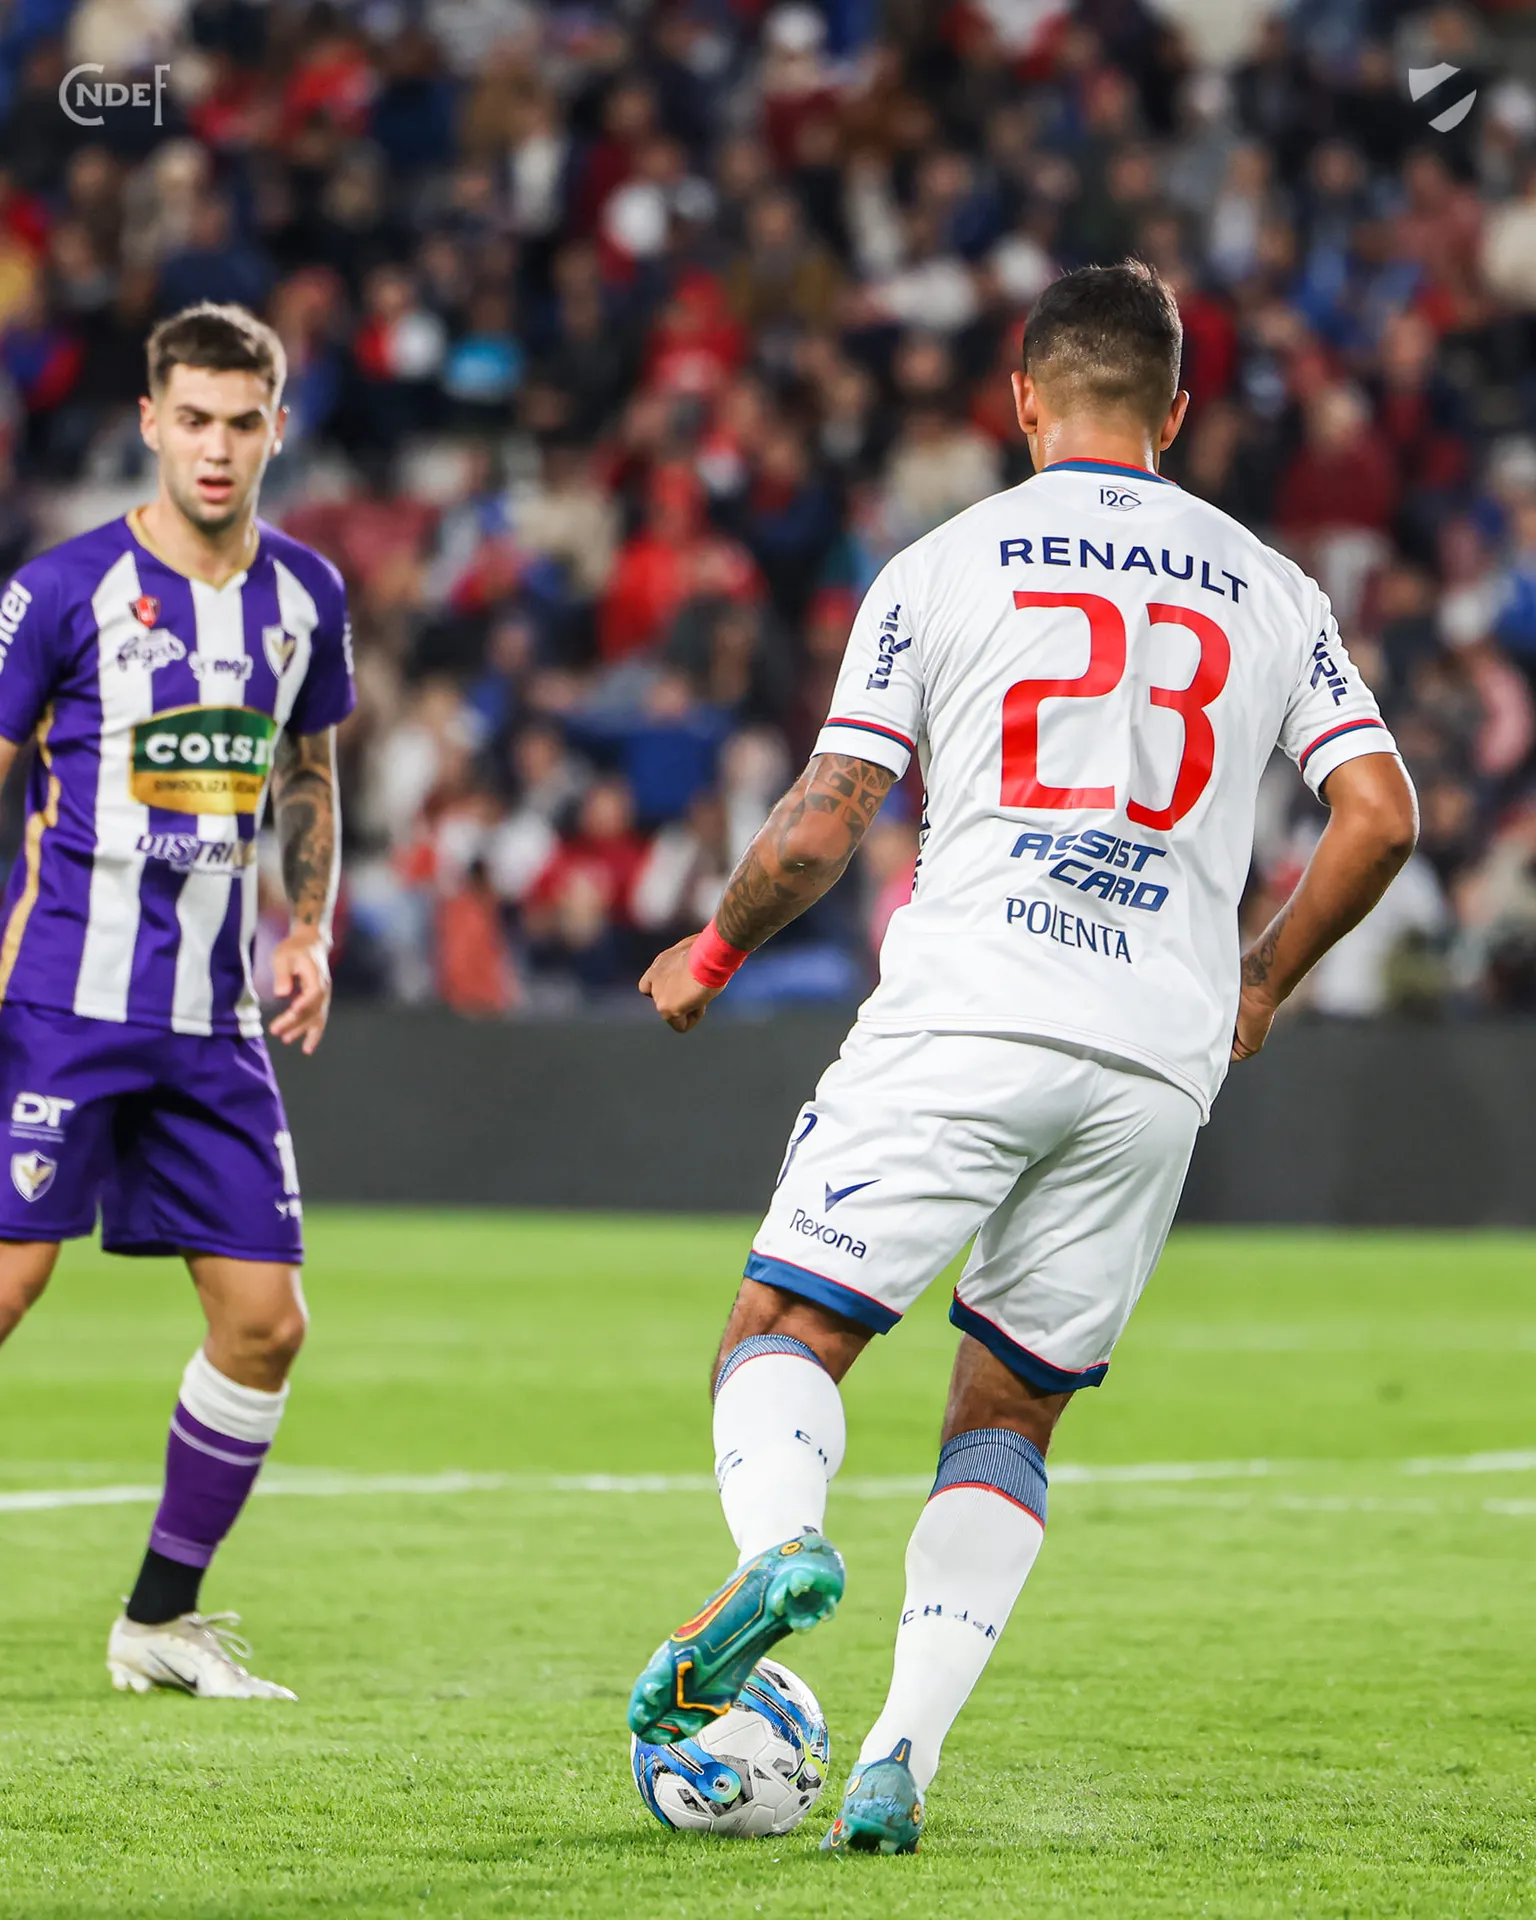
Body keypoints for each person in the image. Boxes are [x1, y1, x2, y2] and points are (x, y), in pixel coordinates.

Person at [626, 262, 1418, 1853]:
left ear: (1022, 397)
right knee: (1011, 1410)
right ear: (1176, 410)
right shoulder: (1272, 586)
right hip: (1155, 1056)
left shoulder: (938, 566)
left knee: (783, 1327)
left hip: (970, 1009)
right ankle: (897, 1758)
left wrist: (710, 953)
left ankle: (781, 1547)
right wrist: (1259, 983)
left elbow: (822, 828)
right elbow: (1382, 815)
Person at [0, 302, 355, 1699]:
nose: (217, 448)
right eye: (193, 420)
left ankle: (158, 1621)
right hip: (61, 1001)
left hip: (213, 1023)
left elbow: (308, 773)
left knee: (267, 1322)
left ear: (278, 428)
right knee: (10, 1285)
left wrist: (307, 927)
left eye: (242, 422)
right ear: (150, 422)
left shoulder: (308, 598)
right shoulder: (59, 591)